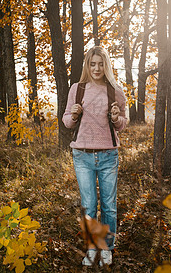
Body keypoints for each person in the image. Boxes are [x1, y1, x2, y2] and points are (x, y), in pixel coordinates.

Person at [62, 46, 127, 266]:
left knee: (109, 205)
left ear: (106, 65)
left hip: (108, 155)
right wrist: (73, 114)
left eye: (101, 64)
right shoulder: (77, 89)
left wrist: (117, 118)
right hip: (82, 155)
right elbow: (67, 121)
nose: (97, 68)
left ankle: (107, 247)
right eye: (92, 64)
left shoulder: (115, 91)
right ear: (87, 66)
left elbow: (122, 124)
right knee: (89, 205)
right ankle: (91, 247)